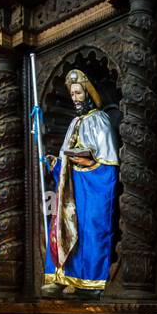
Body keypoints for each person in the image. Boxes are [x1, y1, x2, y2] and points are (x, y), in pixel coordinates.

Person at [45, 70, 119, 294]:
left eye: (78, 93)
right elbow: (66, 159)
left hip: (94, 186)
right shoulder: (74, 123)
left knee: (93, 229)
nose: (75, 98)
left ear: (88, 93)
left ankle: (92, 281)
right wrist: (56, 163)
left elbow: (109, 161)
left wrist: (89, 162)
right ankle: (69, 278)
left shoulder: (100, 120)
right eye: (72, 94)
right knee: (67, 227)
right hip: (73, 187)